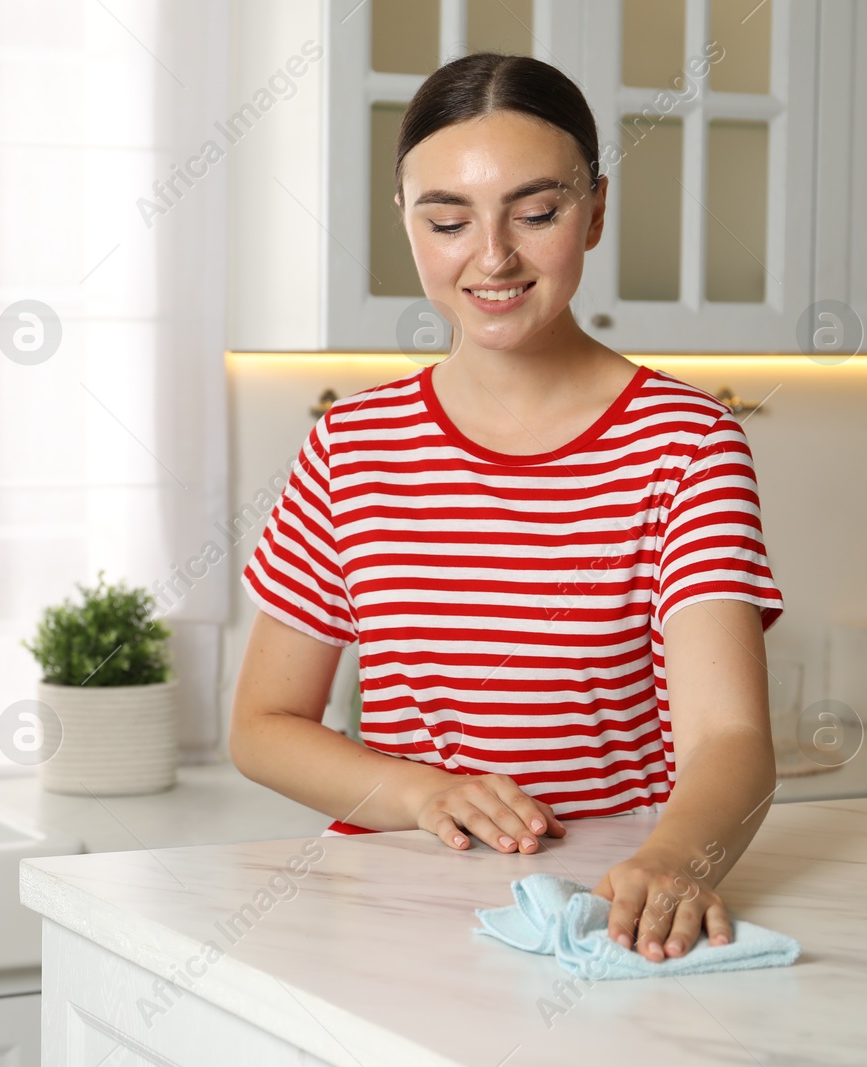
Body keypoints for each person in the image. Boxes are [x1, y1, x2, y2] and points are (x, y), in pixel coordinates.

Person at [229, 52, 785, 964]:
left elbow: (731, 738)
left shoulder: (685, 443)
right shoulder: (349, 445)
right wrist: (420, 794)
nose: (492, 256)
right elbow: (263, 725)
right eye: (448, 219)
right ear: (405, 222)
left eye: (536, 213)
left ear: (596, 211)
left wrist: (679, 860)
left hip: (611, 897)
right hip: (397, 901)